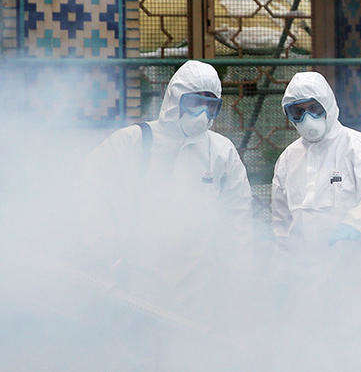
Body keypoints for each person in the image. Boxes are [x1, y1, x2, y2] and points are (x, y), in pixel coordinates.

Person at [85, 59, 253, 329]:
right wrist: (105, 252)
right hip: (135, 283)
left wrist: (236, 277)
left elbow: (239, 217)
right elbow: (88, 190)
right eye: (195, 103)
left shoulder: (221, 151)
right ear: (175, 99)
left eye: (211, 106)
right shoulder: (134, 141)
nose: (202, 114)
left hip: (198, 286)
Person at [270, 71, 361, 369]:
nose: (307, 118)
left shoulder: (358, 146)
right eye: (297, 112)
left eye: (313, 108)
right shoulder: (289, 159)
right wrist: (280, 271)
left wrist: (348, 228)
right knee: (310, 348)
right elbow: (281, 222)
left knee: (358, 345)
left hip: (355, 269)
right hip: (307, 273)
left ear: (328, 104)